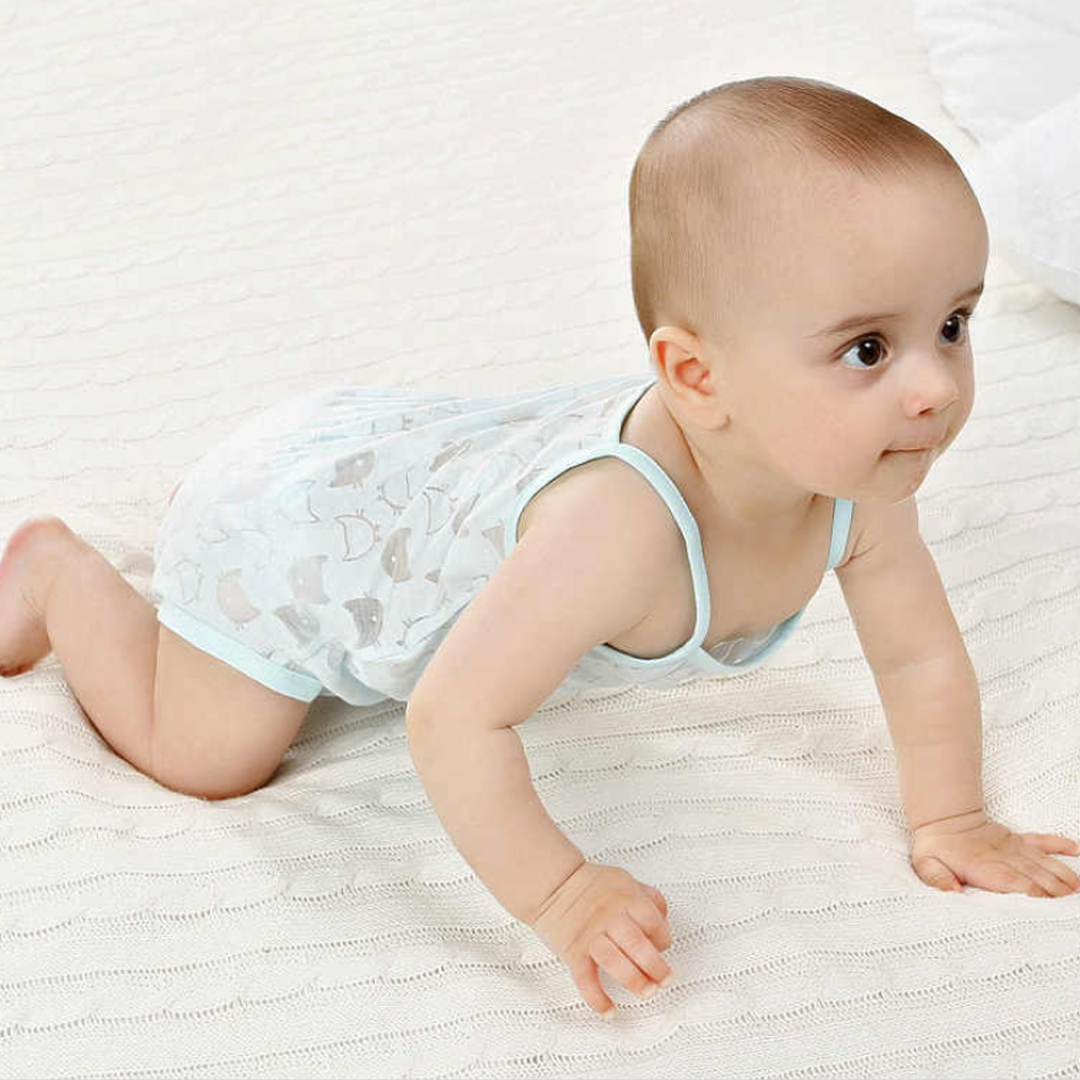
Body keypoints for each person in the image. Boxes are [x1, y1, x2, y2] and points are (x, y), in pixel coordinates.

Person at [2, 75, 1077, 1022]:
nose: (935, 389)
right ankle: (57, 573)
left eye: (955, 324)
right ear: (697, 378)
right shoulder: (621, 527)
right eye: (868, 348)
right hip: (293, 538)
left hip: (389, 468)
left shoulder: (858, 476)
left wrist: (954, 819)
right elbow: (453, 715)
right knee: (206, 760)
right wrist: (561, 893)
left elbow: (917, 657)